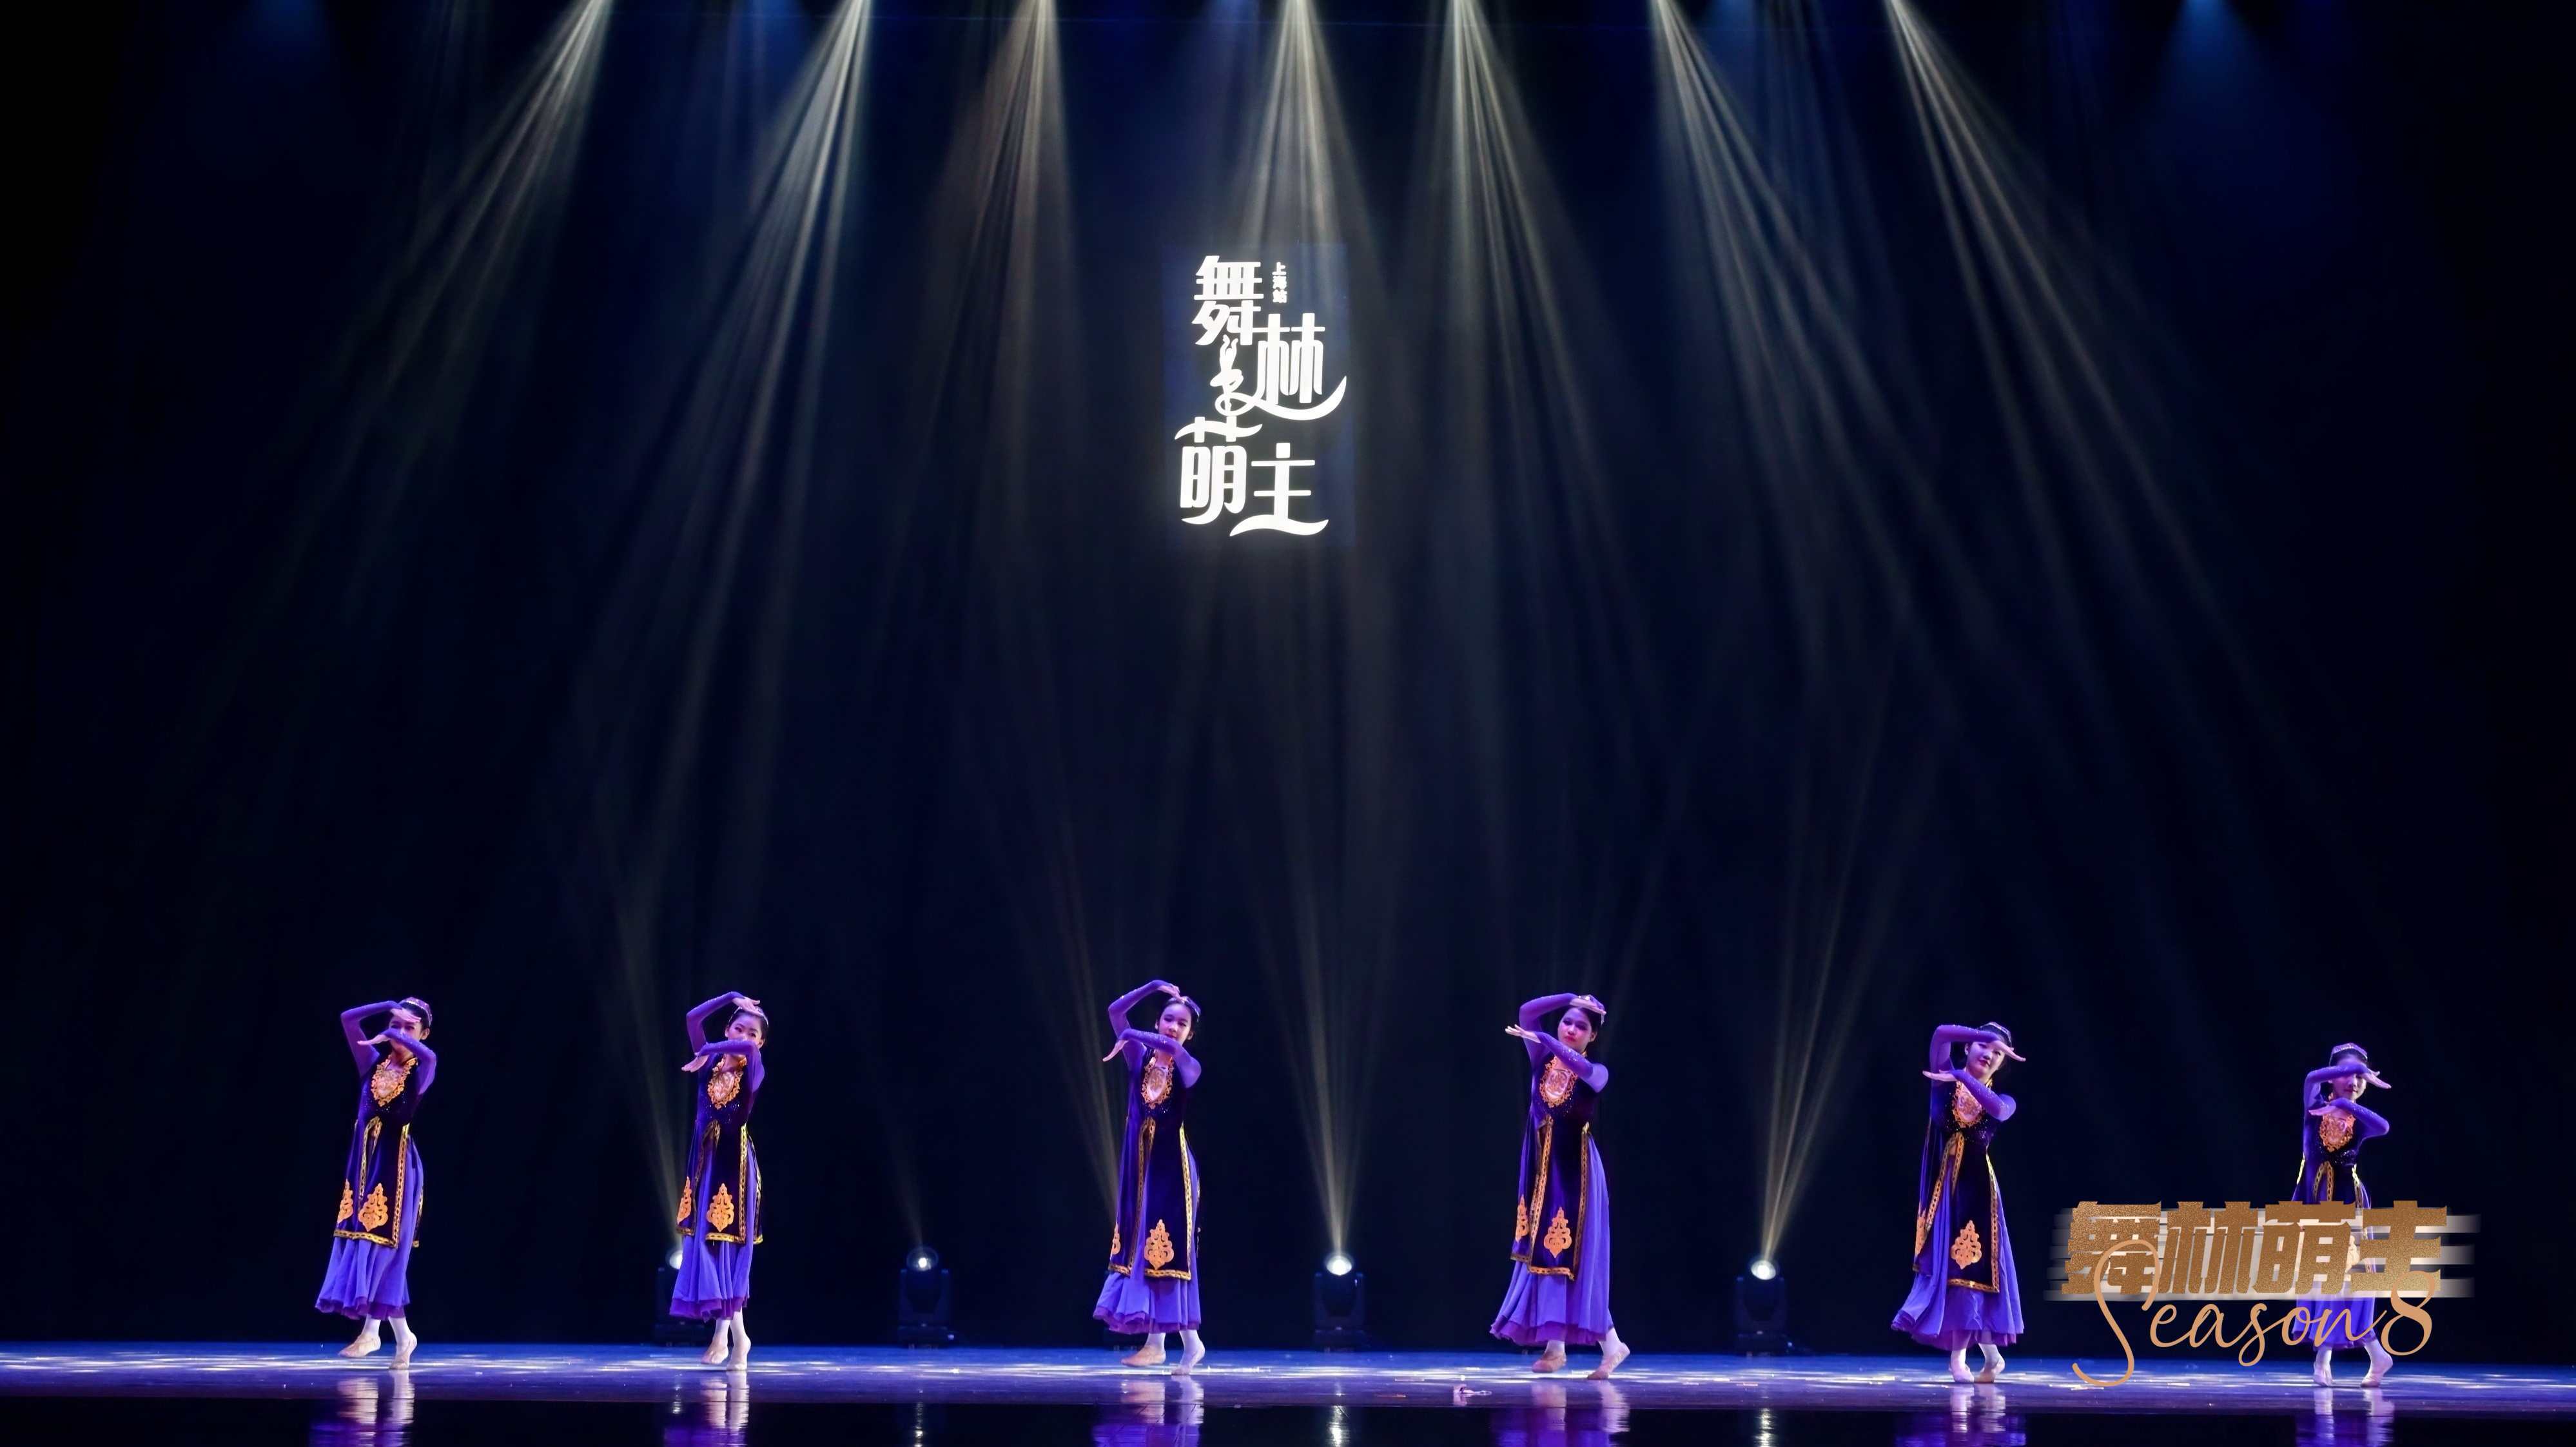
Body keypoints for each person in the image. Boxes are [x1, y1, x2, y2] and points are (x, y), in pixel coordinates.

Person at [1491, 992, 1629, 1377]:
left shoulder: (1596, 1071)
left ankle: (1610, 1345)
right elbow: (1526, 1013)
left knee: (1571, 1258)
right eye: (1567, 1021)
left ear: (1592, 1036)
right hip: (1541, 1167)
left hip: (1576, 1173)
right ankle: (1557, 1349)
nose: (1570, 1029)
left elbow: (1577, 1066)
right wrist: (1571, 997)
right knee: (1544, 1257)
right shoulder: (1543, 1058)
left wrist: (1545, 1038)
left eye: (1581, 1026)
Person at [1893, 1022, 2025, 1383]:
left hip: (1977, 1195)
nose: (1989, 1054)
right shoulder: (1942, 1080)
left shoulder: (2002, 1100)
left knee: (1969, 1269)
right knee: (1951, 1272)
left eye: (1998, 1053)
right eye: (1983, 1046)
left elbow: (1998, 1112)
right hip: (1941, 1194)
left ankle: (1959, 1360)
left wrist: (1961, 1076)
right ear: (1968, 1046)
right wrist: (1980, 1040)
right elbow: (1940, 1034)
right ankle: (1992, 1357)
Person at [316, 997, 437, 1365]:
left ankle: (371, 1333)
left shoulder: (421, 1069)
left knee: (384, 1247)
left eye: (410, 1028)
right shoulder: (372, 1062)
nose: (399, 1033)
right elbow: (347, 1018)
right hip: (365, 1165)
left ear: (424, 1034)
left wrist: (393, 1033)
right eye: (395, 1025)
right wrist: (388, 1006)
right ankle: (403, 1336)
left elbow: (431, 1057)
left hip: (397, 1167)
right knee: (366, 1241)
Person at [1093, 980, 1206, 1372]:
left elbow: (1166, 1048)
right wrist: (1154, 987)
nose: (1173, 1028)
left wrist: (1131, 1035)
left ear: (1190, 1033)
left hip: (1172, 1169)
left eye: (1182, 1024)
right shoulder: (1139, 1059)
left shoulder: (1188, 1066)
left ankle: (1185, 1343)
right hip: (1140, 1166)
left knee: (1167, 1248)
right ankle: (1162, 1345)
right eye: (1168, 1019)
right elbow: (1115, 1011)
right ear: (1158, 1021)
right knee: (1141, 1247)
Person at [673, 993, 767, 1369]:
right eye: (738, 1028)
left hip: (734, 1168)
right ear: (728, 1029)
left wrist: (707, 1049)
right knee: (704, 1245)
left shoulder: (754, 1069)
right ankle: (738, 1338)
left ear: (760, 1042)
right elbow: (692, 1018)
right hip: (704, 1162)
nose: (745, 1037)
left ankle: (724, 1338)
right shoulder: (710, 1063)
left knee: (725, 1247)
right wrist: (731, 996)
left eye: (753, 1033)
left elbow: (744, 1049)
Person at [2298, 1042, 2395, 1386]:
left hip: (2347, 1204)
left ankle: (2323, 1361)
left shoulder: (2359, 1119)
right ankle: (2376, 1356)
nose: (2353, 1081)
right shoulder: (2314, 1107)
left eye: (2360, 1077)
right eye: (2346, 1074)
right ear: (2333, 1076)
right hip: (2314, 1202)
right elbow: (2311, 1077)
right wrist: (2348, 1075)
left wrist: (2343, 1104)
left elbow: (2384, 1127)